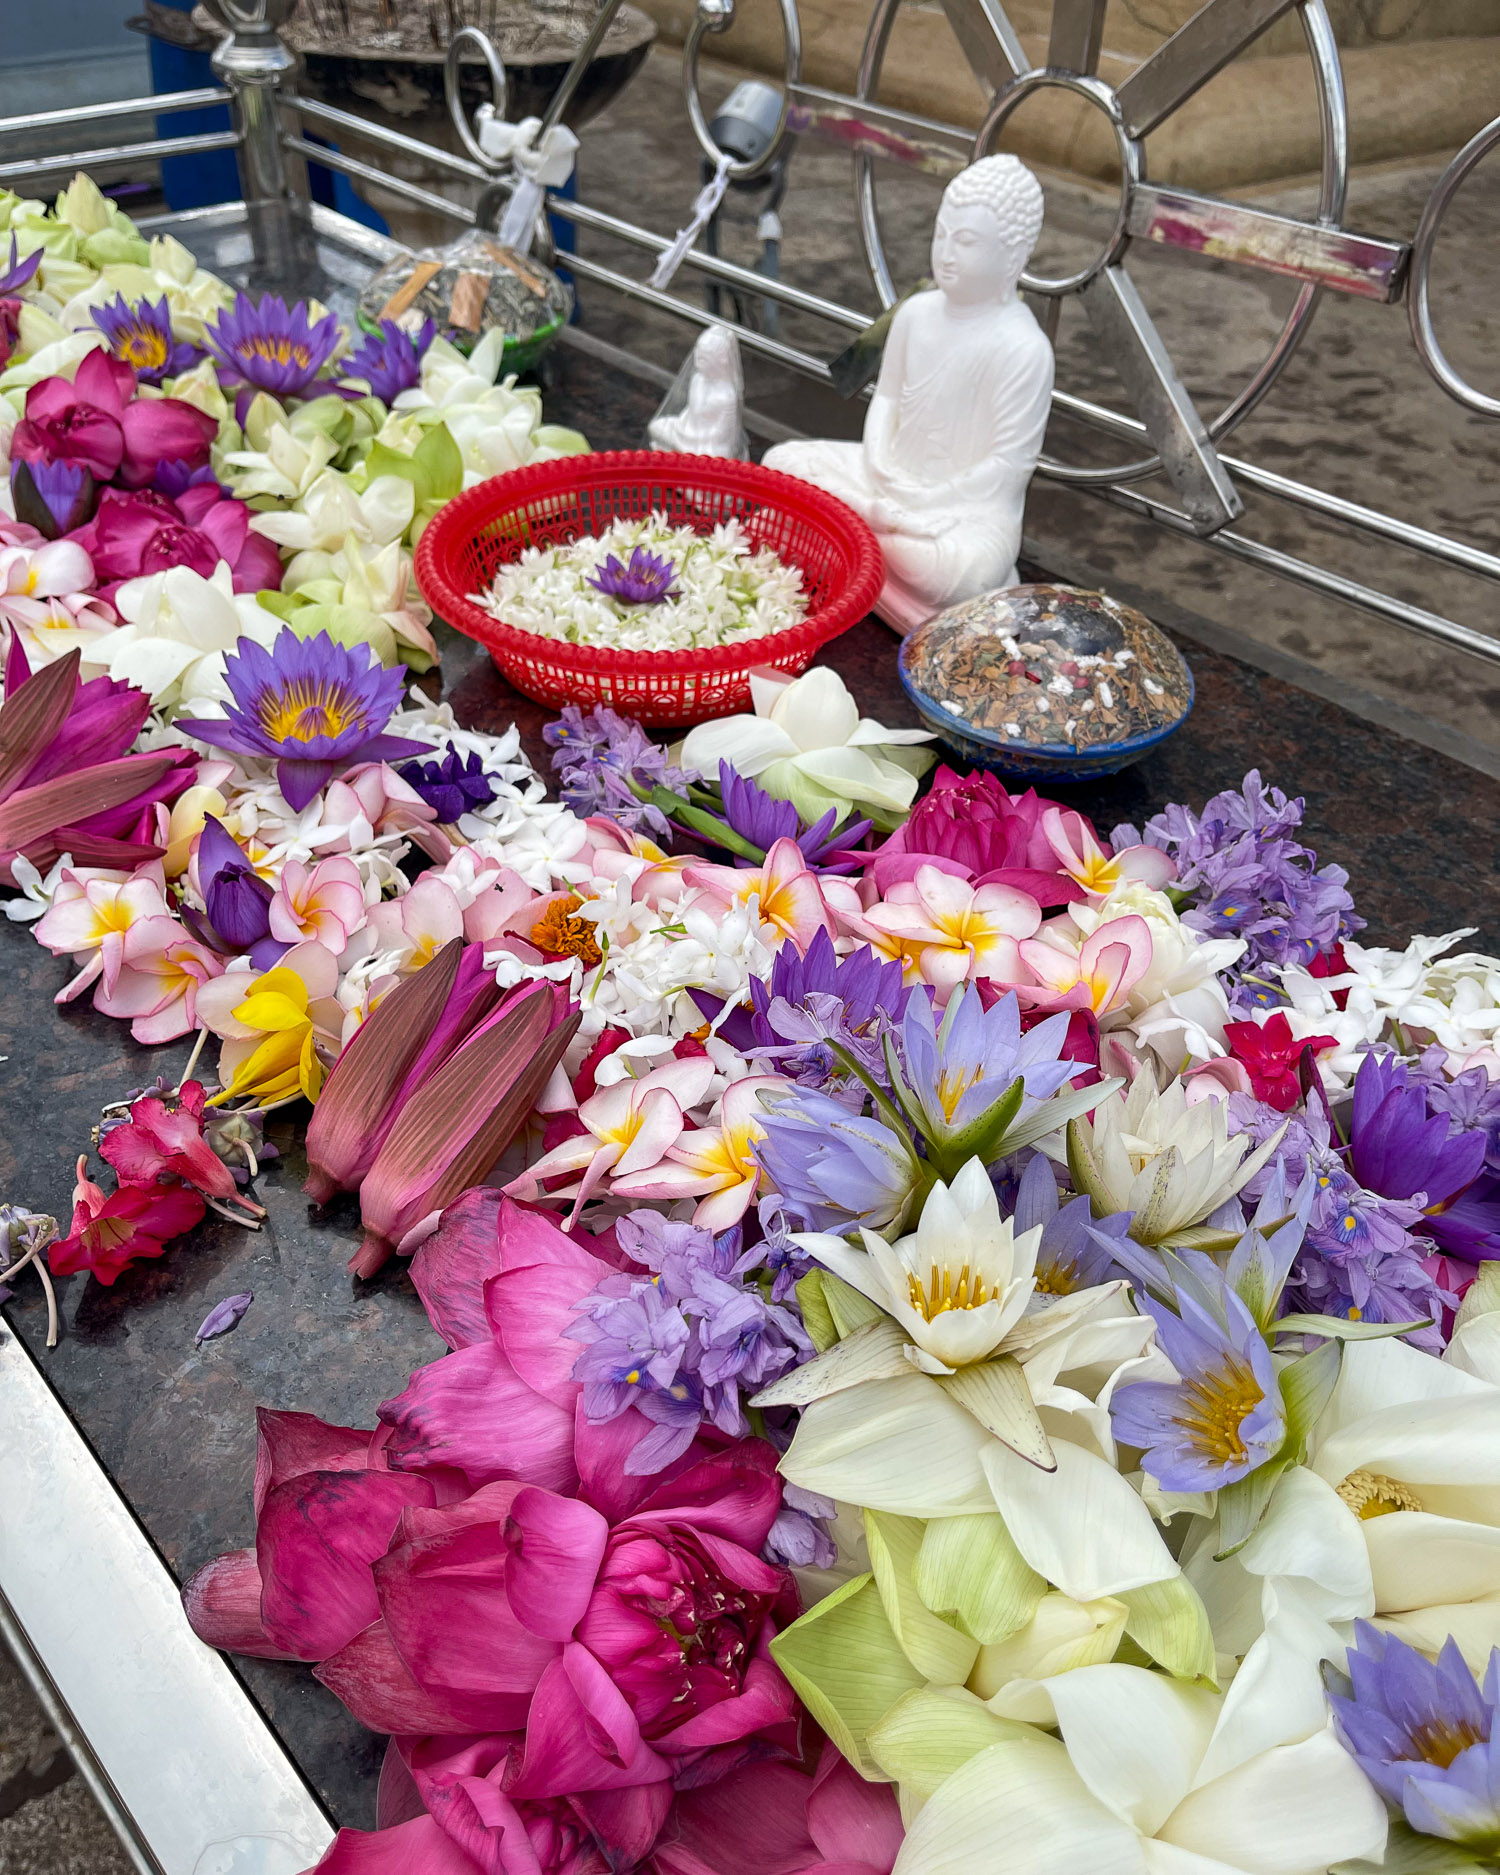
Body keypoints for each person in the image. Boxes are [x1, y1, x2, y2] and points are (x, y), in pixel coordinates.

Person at [764, 155, 1053, 633]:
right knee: (781, 462)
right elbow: (888, 401)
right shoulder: (917, 313)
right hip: (886, 479)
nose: (947, 254)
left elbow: (1007, 468)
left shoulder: (1024, 349)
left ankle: (851, 539)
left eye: (966, 242)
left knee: (965, 577)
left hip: (958, 514)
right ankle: (868, 531)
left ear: (1014, 255)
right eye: (941, 235)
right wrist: (880, 467)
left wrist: (928, 499)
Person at [648, 325, 747, 458]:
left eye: (704, 359)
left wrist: (699, 442)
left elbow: (722, 435)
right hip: (685, 431)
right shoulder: (697, 380)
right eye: (698, 356)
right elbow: (690, 413)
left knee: (716, 455)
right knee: (656, 426)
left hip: (710, 443)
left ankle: (685, 455)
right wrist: (685, 433)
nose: (698, 362)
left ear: (721, 361)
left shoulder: (727, 396)